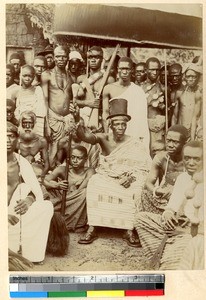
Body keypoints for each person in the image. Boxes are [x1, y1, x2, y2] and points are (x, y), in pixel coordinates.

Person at [70, 98, 151, 247]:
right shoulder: (103, 137)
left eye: (123, 124)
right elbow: (84, 136)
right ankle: (93, 227)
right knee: (94, 183)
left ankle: (128, 230)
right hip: (107, 175)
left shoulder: (134, 142)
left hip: (127, 178)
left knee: (135, 188)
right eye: (117, 124)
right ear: (110, 125)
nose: (120, 127)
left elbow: (143, 167)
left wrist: (132, 177)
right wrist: (77, 117)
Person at [135, 140, 203, 270]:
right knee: (141, 219)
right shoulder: (183, 178)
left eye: (196, 159)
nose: (191, 163)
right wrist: (168, 214)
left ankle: (170, 258)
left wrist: (185, 230)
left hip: (195, 232)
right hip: (178, 225)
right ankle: (164, 254)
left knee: (172, 262)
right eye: (187, 158)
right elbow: (171, 207)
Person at [7, 122, 53, 263]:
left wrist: (29, 201)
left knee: (46, 207)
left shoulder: (21, 162)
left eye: (10, 136)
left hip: (13, 214)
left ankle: (29, 252)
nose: (7, 140)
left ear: (17, 140)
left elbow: (36, 191)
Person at [102, 57, 149, 153]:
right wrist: (107, 134)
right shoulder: (108, 88)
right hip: (115, 132)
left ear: (132, 70)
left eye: (127, 69)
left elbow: (142, 119)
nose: (124, 72)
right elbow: (105, 113)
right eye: (121, 69)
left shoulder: (138, 91)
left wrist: (140, 138)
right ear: (117, 69)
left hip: (133, 133)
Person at [44, 145, 95, 232]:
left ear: (85, 159)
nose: (75, 161)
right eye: (73, 157)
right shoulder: (63, 169)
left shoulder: (89, 171)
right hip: (61, 200)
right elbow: (45, 180)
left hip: (76, 200)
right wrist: (56, 185)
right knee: (45, 189)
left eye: (79, 158)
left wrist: (74, 190)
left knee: (85, 192)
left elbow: (80, 190)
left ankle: (72, 223)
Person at [139, 125, 188, 214]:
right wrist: (157, 190)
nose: (170, 145)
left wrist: (178, 192)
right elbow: (148, 183)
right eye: (168, 141)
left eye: (175, 142)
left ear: (185, 142)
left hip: (184, 197)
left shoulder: (191, 160)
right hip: (164, 196)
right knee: (143, 194)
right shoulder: (161, 158)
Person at [41, 45, 74, 166]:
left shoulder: (70, 76)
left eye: (64, 57)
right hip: (53, 119)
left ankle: (60, 177)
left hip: (67, 120)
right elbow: (44, 100)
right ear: (54, 58)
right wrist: (47, 125)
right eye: (58, 56)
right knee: (52, 155)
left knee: (65, 152)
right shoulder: (47, 75)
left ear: (67, 58)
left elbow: (72, 97)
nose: (61, 59)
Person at [75, 46, 115, 128]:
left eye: (96, 57)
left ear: (102, 59)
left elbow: (112, 104)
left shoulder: (109, 79)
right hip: (82, 118)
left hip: (100, 119)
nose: (93, 60)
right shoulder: (80, 79)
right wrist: (87, 103)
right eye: (90, 57)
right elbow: (74, 101)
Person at [14, 65, 47, 137]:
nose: (27, 78)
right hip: (21, 124)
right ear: (20, 75)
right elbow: (16, 110)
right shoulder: (17, 91)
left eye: (30, 76)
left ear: (34, 77)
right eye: (24, 76)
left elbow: (41, 111)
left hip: (36, 123)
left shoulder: (37, 90)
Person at [172, 63, 202, 140]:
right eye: (188, 76)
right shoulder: (179, 93)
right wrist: (172, 132)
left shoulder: (200, 94)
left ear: (198, 77)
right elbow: (175, 116)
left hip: (195, 131)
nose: (191, 79)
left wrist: (192, 138)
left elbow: (195, 117)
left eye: (193, 76)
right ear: (185, 77)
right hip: (181, 130)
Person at [142, 57, 165, 153]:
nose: (155, 73)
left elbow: (169, 112)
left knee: (157, 153)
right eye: (152, 69)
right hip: (142, 126)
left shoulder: (163, 88)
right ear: (146, 70)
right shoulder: (139, 87)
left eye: (157, 70)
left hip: (157, 128)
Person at [17, 111, 50, 180]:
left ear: (34, 124)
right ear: (21, 124)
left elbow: (46, 164)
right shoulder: (16, 141)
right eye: (25, 123)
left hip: (37, 172)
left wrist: (42, 177)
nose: (27, 126)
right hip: (20, 171)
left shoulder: (41, 141)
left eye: (30, 123)